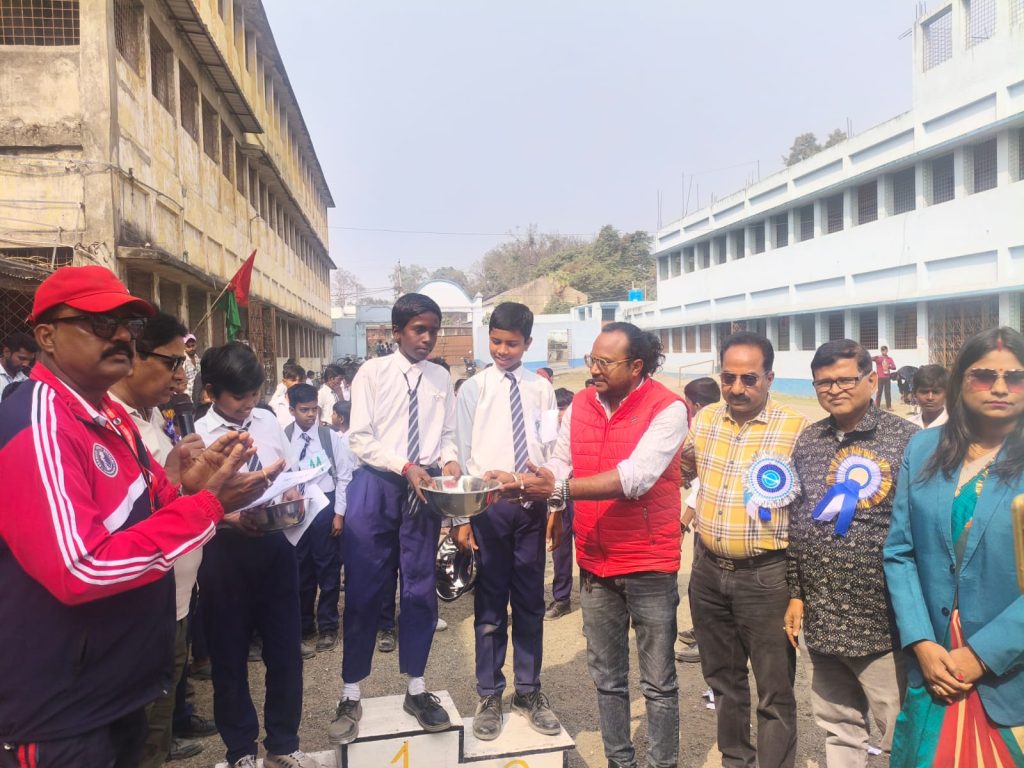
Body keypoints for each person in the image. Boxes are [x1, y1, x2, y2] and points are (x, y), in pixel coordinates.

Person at [0, 265, 269, 767]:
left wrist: (193, 488)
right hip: (61, 710)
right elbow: (82, 567)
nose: (122, 336)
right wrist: (208, 508)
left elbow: (148, 509)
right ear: (47, 336)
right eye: (102, 323)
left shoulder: (107, 415)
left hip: (115, 688)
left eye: (130, 325)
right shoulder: (41, 424)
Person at [493, 322, 688, 768]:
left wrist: (558, 489)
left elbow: (636, 477)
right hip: (596, 561)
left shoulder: (668, 408)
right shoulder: (581, 402)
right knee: (607, 679)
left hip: (648, 562)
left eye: (604, 362)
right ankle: (620, 761)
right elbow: (562, 460)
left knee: (658, 683)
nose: (594, 369)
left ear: (636, 366)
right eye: (591, 360)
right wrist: (525, 481)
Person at [884, 326, 1024, 766]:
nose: (999, 387)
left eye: (1014, 377)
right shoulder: (924, 448)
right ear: (961, 380)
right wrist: (921, 642)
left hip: (1008, 671)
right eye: (984, 375)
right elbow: (900, 552)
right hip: (933, 665)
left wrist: (983, 654)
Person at [328, 293, 460, 746]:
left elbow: (447, 434)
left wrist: (450, 459)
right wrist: (404, 466)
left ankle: (417, 689)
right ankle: (350, 693)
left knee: (420, 590)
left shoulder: (440, 376)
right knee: (365, 589)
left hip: (423, 491)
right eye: (419, 329)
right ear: (396, 331)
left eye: (433, 330)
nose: (427, 338)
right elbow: (360, 438)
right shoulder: (373, 372)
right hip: (377, 485)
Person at [785, 340, 918, 766]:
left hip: (882, 620)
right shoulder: (809, 441)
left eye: (845, 379)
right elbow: (798, 520)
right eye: (824, 382)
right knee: (838, 728)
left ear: (871, 380)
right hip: (822, 617)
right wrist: (796, 593)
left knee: (900, 729)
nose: (834, 389)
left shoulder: (907, 441)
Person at [681, 331, 807, 768]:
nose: (736, 388)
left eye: (749, 378)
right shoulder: (705, 420)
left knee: (775, 690)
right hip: (707, 574)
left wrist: (799, 590)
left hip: (766, 579)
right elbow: (684, 468)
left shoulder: (796, 429)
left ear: (769, 378)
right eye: (728, 377)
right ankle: (736, 760)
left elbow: (810, 514)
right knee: (724, 683)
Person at [194, 343, 315, 768]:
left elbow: (289, 466)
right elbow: (191, 499)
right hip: (225, 553)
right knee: (229, 655)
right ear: (211, 392)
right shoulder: (198, 435)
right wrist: (228, 518)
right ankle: (241, 750)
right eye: (238, 396)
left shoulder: (266, 419)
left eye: (254, 394)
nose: (248, 404)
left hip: (275, 545)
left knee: (285, 651)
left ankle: (283, 743)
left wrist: (295, 489)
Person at [108, 311, 218, 765]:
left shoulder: (153, 415)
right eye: (171, 363)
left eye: (183, 366)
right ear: (131, 357)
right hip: (143, 603)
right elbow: (122, 527)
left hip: (176, 596)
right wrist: (178, 481)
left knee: (161, 713)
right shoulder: (111, 426)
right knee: (140, 728)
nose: (179, 377)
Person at [452, 302, 562, 741]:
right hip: (490, 507)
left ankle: (529, 690)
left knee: (531, 601)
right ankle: (489, 693)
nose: (502, 350)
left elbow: (553, 452)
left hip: (531, 505)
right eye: (496, 341)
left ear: (528, 343)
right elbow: (462, 455)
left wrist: (554, 506)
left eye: (511, 344)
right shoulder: (473, 389)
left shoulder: (542, 389)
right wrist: (462, 518)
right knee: (491, 603)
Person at [284, 382, 354, 656]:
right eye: (304, 410)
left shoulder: (329, 437)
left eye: (314, 409)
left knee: (327, 568)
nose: (311, 415)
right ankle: (304, 624)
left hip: (325, 506)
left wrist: (339, 513)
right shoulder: (284, 437)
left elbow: (344, 476)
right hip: (297, 508)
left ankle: (328, 625)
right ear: (292, 410)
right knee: (300, 568)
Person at [675, 376, 722, 665]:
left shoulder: (708, 429)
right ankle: (703, 631)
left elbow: (702, 486)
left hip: (709, 521)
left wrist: (682, 522)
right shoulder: (716, 424)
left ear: (695, 405)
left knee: (703, 588)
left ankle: (706, 642)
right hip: (710, 519)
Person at [544, 386, 576, 621]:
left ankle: (594, 604)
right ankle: (562, 598)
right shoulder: (547, 432)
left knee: (586, 546)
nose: (561, 414)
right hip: (556, 493)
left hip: (580, 489)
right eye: (558, 409)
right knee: (560, 547)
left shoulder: (579, 425)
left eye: (565, 408)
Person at [907, 364, 948, 429]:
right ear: (915, 393)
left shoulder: (955, 426)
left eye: (936, 392)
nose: (930, 398)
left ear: (947, 393)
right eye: (924, 392)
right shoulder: (908, 425)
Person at [0, 331, 37, 402]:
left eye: (30, 360)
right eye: (22, 358)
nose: (26, 364)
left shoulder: (26, 380)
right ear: (6, 352)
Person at [269, 362, 305, 427]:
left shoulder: (310, 404)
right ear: (284, 382)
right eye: (293, 380)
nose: (297, 383)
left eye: (300, 380)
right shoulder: (275, 405)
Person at [872, 346, 896, 410]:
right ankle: (877, 406)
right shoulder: (878, 358)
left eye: (885, 350)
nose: (884, 352)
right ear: (881, 351)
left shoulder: (889, 359)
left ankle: (889, 406)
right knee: (879, 392)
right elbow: (870, 358)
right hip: (880, 377)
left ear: (887, 351)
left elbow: (894, 367)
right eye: (882, 350)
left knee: (887, 392)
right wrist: (876, 356)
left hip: (887, 377)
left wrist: (889, 366)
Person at [183, 333, 201, 397]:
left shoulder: (198, 359)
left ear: (196, 345)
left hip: (198, 395)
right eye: (188, 346)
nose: (191, 348)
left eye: (193, 345)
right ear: (184, 347)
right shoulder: (182, 360)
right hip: (188, 395)